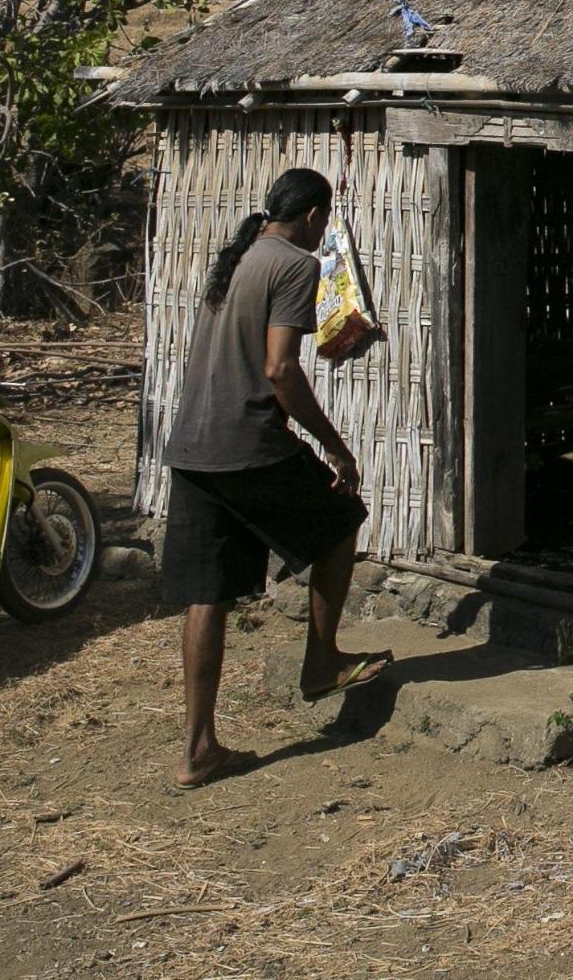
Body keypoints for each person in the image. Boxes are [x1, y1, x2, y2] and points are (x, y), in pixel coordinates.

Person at [159, 166, 392, 787]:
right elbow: (281, 370)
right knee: (342, 520)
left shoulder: (237, 258)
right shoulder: (295, 265)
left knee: (208, 594)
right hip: (247, 442)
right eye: (325, 220)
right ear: (315, 217)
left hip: (192, 446)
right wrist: (335, 447)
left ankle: (198, 749)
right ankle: (321, 662)